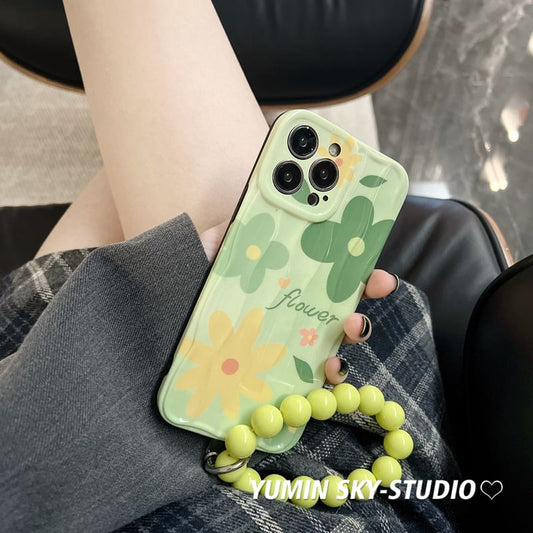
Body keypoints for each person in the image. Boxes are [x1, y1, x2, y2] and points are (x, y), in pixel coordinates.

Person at [0, 1, 459, 531]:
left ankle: (242, 95)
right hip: (311, 474)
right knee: (231, 176)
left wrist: (157, 282)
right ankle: (245, 92)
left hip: (55, 428)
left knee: (227, 186)